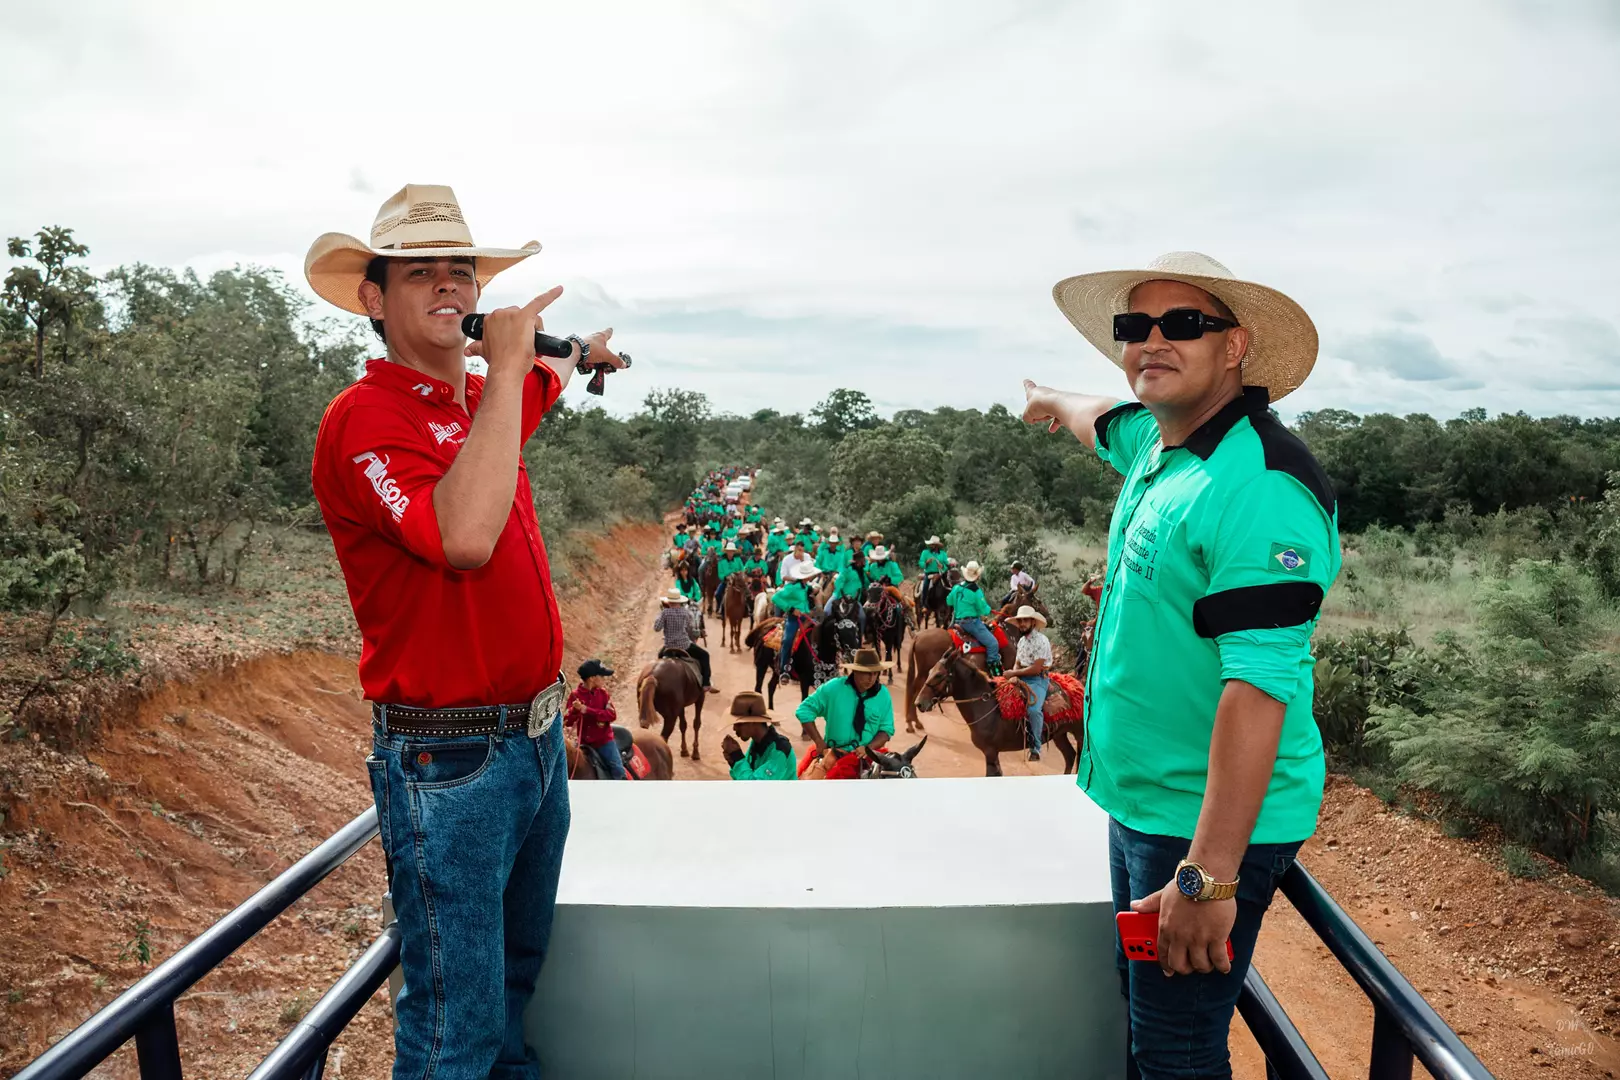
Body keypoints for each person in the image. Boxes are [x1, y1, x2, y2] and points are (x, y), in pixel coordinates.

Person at [307, 184, 624, 1077]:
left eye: (462, 273)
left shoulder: (480, 405)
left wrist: (578, 355)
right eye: (422, 276)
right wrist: (511, 371)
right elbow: (464, 537)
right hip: (450, 765)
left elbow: (543, 385)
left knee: (516, 986)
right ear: (374, 298)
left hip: (533, 745)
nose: (449, 288)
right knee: (457, 1027)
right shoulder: (366, 420)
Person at [1024, 251, 1339, 1079]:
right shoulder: (1158, 445)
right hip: (1142, 799)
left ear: (1234, 347)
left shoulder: (1261, 484)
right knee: (1141, 1022)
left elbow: (1260, 684)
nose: (1151, 342)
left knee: (1176, 1052)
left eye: (1183, 325)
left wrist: (1206, 878)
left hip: (1198, 826)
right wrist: (1047, 399)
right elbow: (1099, 415)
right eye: (1135, 327)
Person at [795, 647, 894, 778]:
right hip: (834, 756)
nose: (872, 678)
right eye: (867, 673)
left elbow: (886, 730)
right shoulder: (834, 688)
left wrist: (868, 748)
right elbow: (804, 710)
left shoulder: (883, 695)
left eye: (875, 673)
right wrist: (819, 741)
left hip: (868, 758)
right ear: (856, 671)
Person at [1002, 606, 1052, 761]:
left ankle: (1036, 748)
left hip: (1038, 679)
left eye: (1025, 620)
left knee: (1034, 709)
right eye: (1020, 621)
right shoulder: (1022, 641)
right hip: (1021, 676)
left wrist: (1014, 673)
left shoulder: (1041, 640)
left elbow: (1036, 669)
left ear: (1032, 622)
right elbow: (1018, 662)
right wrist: (1013, 674)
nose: (1022, 623)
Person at [565, 659, 625, 779]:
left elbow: (611, 715)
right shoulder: (575, 696)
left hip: (603, 741)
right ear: (592, 678)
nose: (604, 679)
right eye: (602, 676)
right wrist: (575, 710)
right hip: (583, 743)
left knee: (618, 770)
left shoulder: (603, 694)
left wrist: (587, 710)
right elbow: (568, 721)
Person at [721, 691, 797, 780]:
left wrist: (737, 758)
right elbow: (746, 777)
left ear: (752, 722)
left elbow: (755, 788)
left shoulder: (780, 750)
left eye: (738, 724)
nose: (734, 728)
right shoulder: (757, 743)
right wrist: (733, 761)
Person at [653, 588, 717, 693]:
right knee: (705, 655)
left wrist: (660, 615)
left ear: (668, 602)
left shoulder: (665, 613)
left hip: (668, 646)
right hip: (684, 645)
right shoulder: (685, 612)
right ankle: (706, 684)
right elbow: (689, 629)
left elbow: (657, 628)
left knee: (659, 658)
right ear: (679, 601)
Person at [947, 561, 1001, 676]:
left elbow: (949, 601)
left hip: (957, 621)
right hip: (971, 623)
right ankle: (995, 674)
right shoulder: (976, 590)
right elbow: (983, 609)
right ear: (977, 576)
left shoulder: (957, 587)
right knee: (993, 644)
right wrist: (989, 609)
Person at [772, 563, 819, 678]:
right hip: (794, 619)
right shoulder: (791, 587)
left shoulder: (806, 587)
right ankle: (784, 670)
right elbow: (775, 598)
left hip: (807, 617)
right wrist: (791, 609)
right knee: (788, 640)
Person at [715, 540, 744, 611]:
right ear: (726, 551)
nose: (730, 552)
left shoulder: (738, 559)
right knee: (718, 594)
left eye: (732, 551)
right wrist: (725, 577)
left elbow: (742, 569)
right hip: (726, 581)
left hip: (738, 580)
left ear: (734, 552)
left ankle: (749, 609)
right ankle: (719, 608)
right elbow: (720, 574)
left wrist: (740, 573)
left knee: (747, 592)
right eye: (729, 551)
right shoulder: (721, 562)